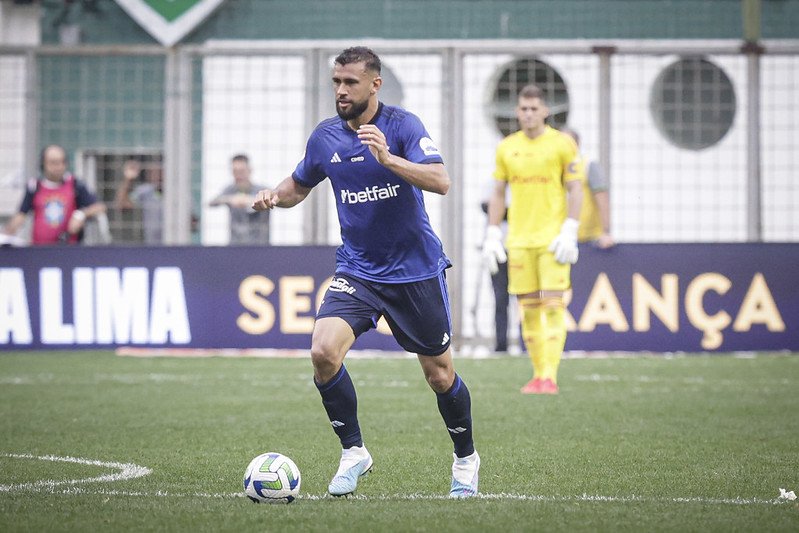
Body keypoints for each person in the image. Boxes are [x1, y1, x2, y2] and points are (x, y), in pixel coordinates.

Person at [252, 46, 479, 498]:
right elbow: (299, 184)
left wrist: (390, 160)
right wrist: (274, 196)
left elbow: (442, 181)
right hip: (358, 270)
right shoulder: (325, 138)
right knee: (322, 351)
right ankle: (354, 452)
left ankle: (466, 459)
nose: (340, 90)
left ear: (374, 84)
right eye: (336, 81)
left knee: (439, 375)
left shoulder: (403, 126)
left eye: (350, 82)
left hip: (414, 272)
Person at [482, 84, 584, 395]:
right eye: (523, 109)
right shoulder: (507, 147)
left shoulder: (562, 144)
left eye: (533, 109)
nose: (528, 114)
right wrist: (492, 232)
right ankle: (537, 375)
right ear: (517, 112)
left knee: (553, 306)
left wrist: (570, 228)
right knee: (527, 309)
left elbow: (576, 188)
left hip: (552, 240)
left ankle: (549, 376)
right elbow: (499, 192)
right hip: (519, 241)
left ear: (545, 111)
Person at [2, 144, 106, 245]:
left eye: (62, 162)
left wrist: (81, 214)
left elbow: (99, 207)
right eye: (53, 163)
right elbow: (21, 215)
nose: (58, 167)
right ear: (43, 164)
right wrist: (6, 235)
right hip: (39, 250)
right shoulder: (34, 187)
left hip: (68, 249)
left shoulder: (75, 185)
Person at [560, 127, 614, 249]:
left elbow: (603, 199)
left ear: (577, 144)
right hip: (560, 237)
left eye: (568, 142)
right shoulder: (553, 167)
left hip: (588, 239)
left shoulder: (588, 166)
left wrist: (606, 232)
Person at [208, 154, 270, 244]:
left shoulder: (261, 190)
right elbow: (212, 202)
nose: (238, 175)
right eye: (235, 172)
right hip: (235, 245)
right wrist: (230, 199)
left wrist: (249, 200)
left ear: (249, 171)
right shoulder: (230, 190)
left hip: (260, 245)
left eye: (242, 171)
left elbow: (277, 200)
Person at [115, 158, 164, 244]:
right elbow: (122, 206)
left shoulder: (180, 194)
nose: (156, 176)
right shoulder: (146, 191)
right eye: (152, 172)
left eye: (159, 172)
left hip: (176, 246)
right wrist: (128, 179)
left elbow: (193, 225)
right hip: (152, 246)